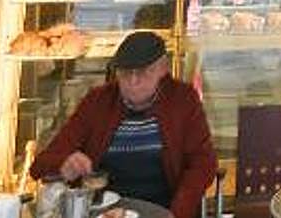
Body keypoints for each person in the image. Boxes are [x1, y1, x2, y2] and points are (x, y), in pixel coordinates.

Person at [30, 31, 217, 218]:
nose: (133, 81)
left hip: (165, 209)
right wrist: (64, 163)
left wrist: (178, 212)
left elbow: (203, 163)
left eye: (143, 72)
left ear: (162, 69)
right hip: (104, 211)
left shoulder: (183, 100)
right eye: (125, 73)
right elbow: (40, 165)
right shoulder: (97, 101)